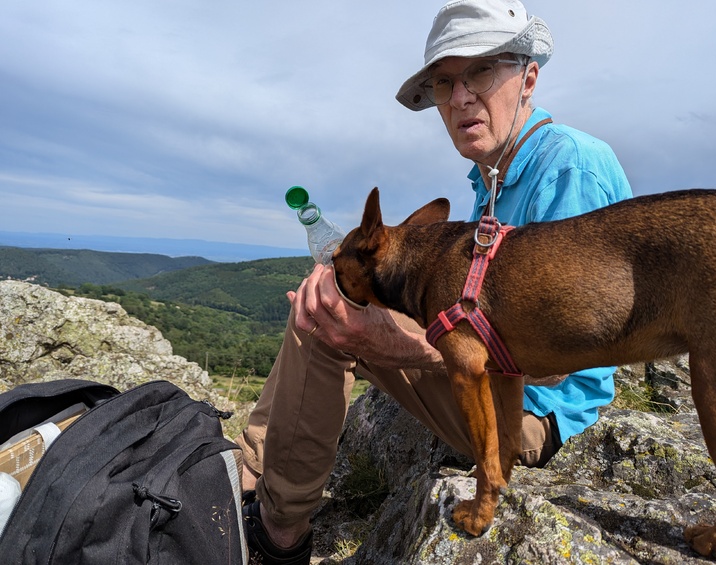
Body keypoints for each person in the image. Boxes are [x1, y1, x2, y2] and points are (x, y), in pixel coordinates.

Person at [237, 0, 633, 562]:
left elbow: (564, 352)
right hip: (496, 386)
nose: (462, 95)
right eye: (445, 83)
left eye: (481, 71)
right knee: (325, 301)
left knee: (327, 324)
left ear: (528, 78)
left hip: (533, 415)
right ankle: (251, 475)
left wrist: (403, 344)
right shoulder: (489, 178)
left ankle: (275, 532)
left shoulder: (570, 166)